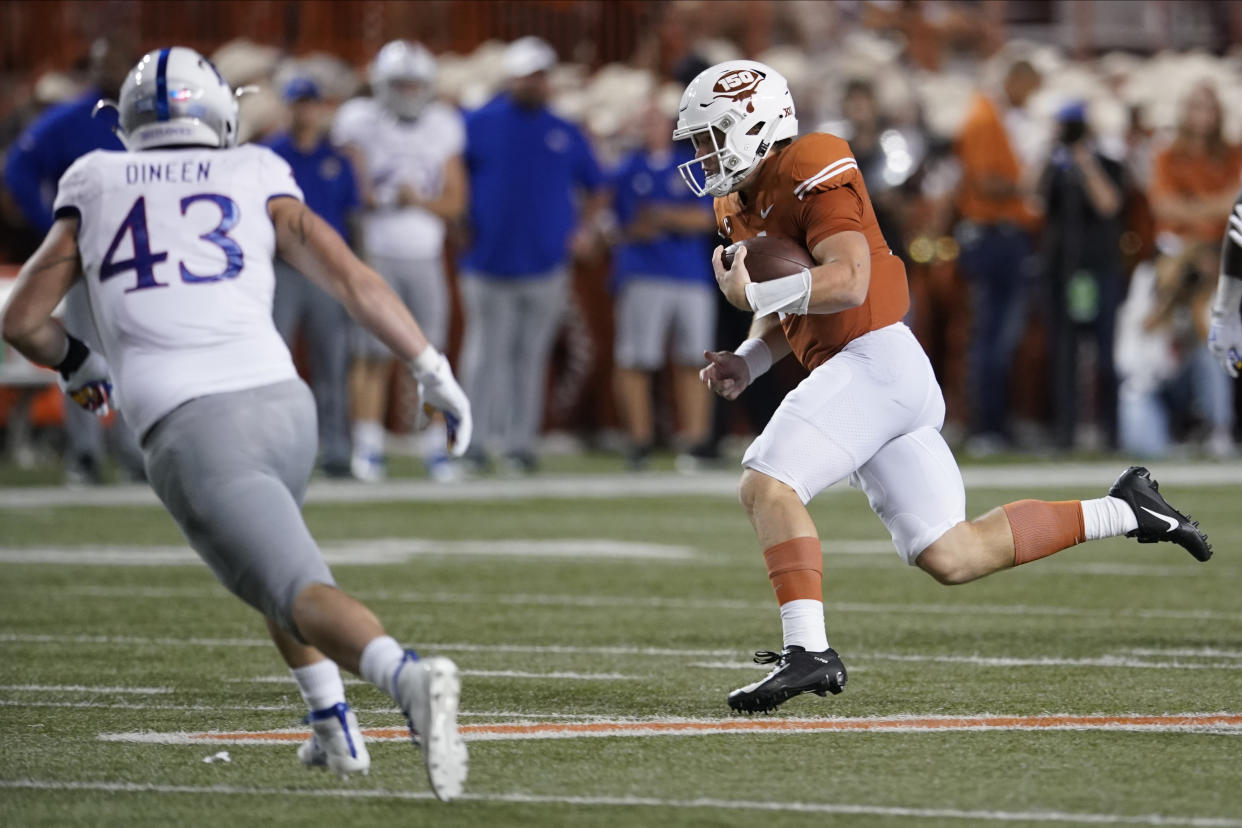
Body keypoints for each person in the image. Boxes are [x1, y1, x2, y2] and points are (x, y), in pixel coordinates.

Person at [0, 47, 470, 799]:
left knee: (291, 585)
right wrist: (430, 368)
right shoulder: (254, 168)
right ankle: (331, 727)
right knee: (274, 569)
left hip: (194, 423)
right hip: (286, 405)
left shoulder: (93, 177)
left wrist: (80, 362)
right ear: (218, 107)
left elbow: (23, 318)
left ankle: (406, 677)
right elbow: (349, 275)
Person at [679, 60, 1211, 714]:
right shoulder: (736, 200)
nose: (702, 154)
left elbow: (846, 280)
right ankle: (1130, 509)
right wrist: (749, 359)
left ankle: (808, 651)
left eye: (710, 136)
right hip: (866, 374)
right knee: (952, 553)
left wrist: (756, 288)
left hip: (875, 359)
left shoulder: (810, 159)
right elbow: (792, 309)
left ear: (756, 124)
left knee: (766, 480)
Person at [459, 36, 606, 473]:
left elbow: (595, 187)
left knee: (530, 357)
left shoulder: (564, 131)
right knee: (484, 355)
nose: (535, 83)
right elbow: (454, 177)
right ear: (511, 78)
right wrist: (459, 222)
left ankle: (520, 444)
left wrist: (582, 231)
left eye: (541, 75)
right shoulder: (478, 122)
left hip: (545, 264)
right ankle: (473, 443)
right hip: (487, 260)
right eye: (528, 75)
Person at [3, 36, 146, 484]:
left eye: (121, 61)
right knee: (83, 354)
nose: (113, 70)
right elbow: (16, 171)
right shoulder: (70, 118)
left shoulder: (149, 119)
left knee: (140, 355)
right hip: (90, 256)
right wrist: (53, 227)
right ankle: (83, 454)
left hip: (147, 257)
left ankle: (134, 453)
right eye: (105, 62)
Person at [333, 41, 467, 482]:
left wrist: (419, 201)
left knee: (432, 357)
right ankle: (367, 447)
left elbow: (455, 201)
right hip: (376, 251)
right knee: (370, 354)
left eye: (415, 84)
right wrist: (389, 197)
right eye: (400, 84)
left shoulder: (443, 125)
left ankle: (436, 449)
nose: (409, 92)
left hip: (424, 253)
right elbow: (356, 194)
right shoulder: (359, 121)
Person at [609, 105, 717, 468]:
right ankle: (638, 441)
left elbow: (707, 217)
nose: (649, 128)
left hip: (690, 274)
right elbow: (622, 226)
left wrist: (664, 216)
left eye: (655, 121)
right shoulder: (625, 169)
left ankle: (695, 441)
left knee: (696, 359)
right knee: (637, 359)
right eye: (644, 121)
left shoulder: (690, 163)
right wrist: (672, 218)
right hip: (644, 273)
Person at [264, 77, 359, 477]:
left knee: (332, 363)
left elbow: (352, 220)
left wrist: (353, 274)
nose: (306, 112)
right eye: (299, 104)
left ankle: (336, 448)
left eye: (311, 104)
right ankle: (274, 449)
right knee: (274, 364)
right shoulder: (268, 157)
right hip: (282, 269)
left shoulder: (337, 160)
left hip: (324, 271)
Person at [953, 59, 1042, 453]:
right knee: (993, 335)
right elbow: (987, 182)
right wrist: (1029, 184)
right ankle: (987, 426)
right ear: (1016, 80)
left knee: (998, 336)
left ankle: (995, 424)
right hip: (995, 236)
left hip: (1002, 235)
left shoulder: (994, 117)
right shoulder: (984, 119)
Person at [1037, 102, 1126, 451]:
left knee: (1104, 352)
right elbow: (1031, 197)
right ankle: (1065, 432)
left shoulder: (1109, 164)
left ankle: (1110, 432)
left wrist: (1085, 160)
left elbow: (1108, 204)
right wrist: (1049, 153)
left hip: (1098, 268)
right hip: (1061, 269)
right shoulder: (1055, 167)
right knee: (1063, 352)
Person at [1118, 245, 1233, 458]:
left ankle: (1219, 433)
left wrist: (1196, 303)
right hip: (1149, 384)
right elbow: (1143, 331)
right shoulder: (1147, 283)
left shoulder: (1200, 290)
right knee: (1152, 451)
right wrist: (1169, 296)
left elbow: (1217, 346)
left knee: (1208, 358)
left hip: (1182, 384)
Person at [1148, 83, 1242, 251]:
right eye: (1197, 107)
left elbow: (1233, 203)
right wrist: (1214, 208)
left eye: (1210, 108)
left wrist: (1189, 207)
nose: (1204, 115)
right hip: (1179, 244)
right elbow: (1164, 206)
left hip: (1222, 243)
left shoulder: (1233, 154)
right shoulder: (1167, 156)